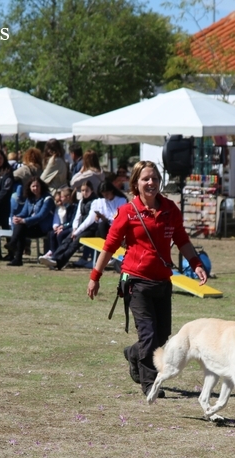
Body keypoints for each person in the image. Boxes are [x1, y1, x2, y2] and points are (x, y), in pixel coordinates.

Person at [86, 160, 208, 397]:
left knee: (162, 335)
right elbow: (109, 246)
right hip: (136, 282)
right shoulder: (127, 212)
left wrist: (197, 264)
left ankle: (133, 354)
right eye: (145, 179)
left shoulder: (171, 210)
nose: (151, 183)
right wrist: (95, 276)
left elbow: (182, 240)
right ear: (136, 183)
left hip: (162, 281)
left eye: (154, 178)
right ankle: (149, 382)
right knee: (149, 335)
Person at [42, 182, 98, 269]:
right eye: (82, 190)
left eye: (87, 190)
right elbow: (77, 217)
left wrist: (77, 231)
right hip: (80, 228)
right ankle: (54, 258)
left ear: (92, 190)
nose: (84, 192)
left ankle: (59, 262)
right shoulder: (82, 201)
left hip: (91, 229)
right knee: (67, 240)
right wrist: (75, 229)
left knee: (74, 243)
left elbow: (90, 219)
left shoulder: (95, 201)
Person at [5, 177, 55, 267]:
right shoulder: (30, 198)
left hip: (43, 228)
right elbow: (24, 213)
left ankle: (13, 245)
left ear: (41, 186)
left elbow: (40, 216)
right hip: (31, 225)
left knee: (21, 226)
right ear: (29, 187)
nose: (35, 188)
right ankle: (17, 258)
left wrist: (24, 220)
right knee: (20, 226)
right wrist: (17, 217)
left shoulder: (48, 199)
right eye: (33, 186)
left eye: (37, 186)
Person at [44, 186, 77, 258]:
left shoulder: (75, 207)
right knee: (52, 233)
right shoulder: (67, 206)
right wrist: (60, 227)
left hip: (72, 228)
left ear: (68, 197)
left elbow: (72, 222)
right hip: (67, 226)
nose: (61, 199)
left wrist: (63, 227)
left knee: (60, 235)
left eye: (62, 197)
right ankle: (53, 252)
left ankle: (61, 255)